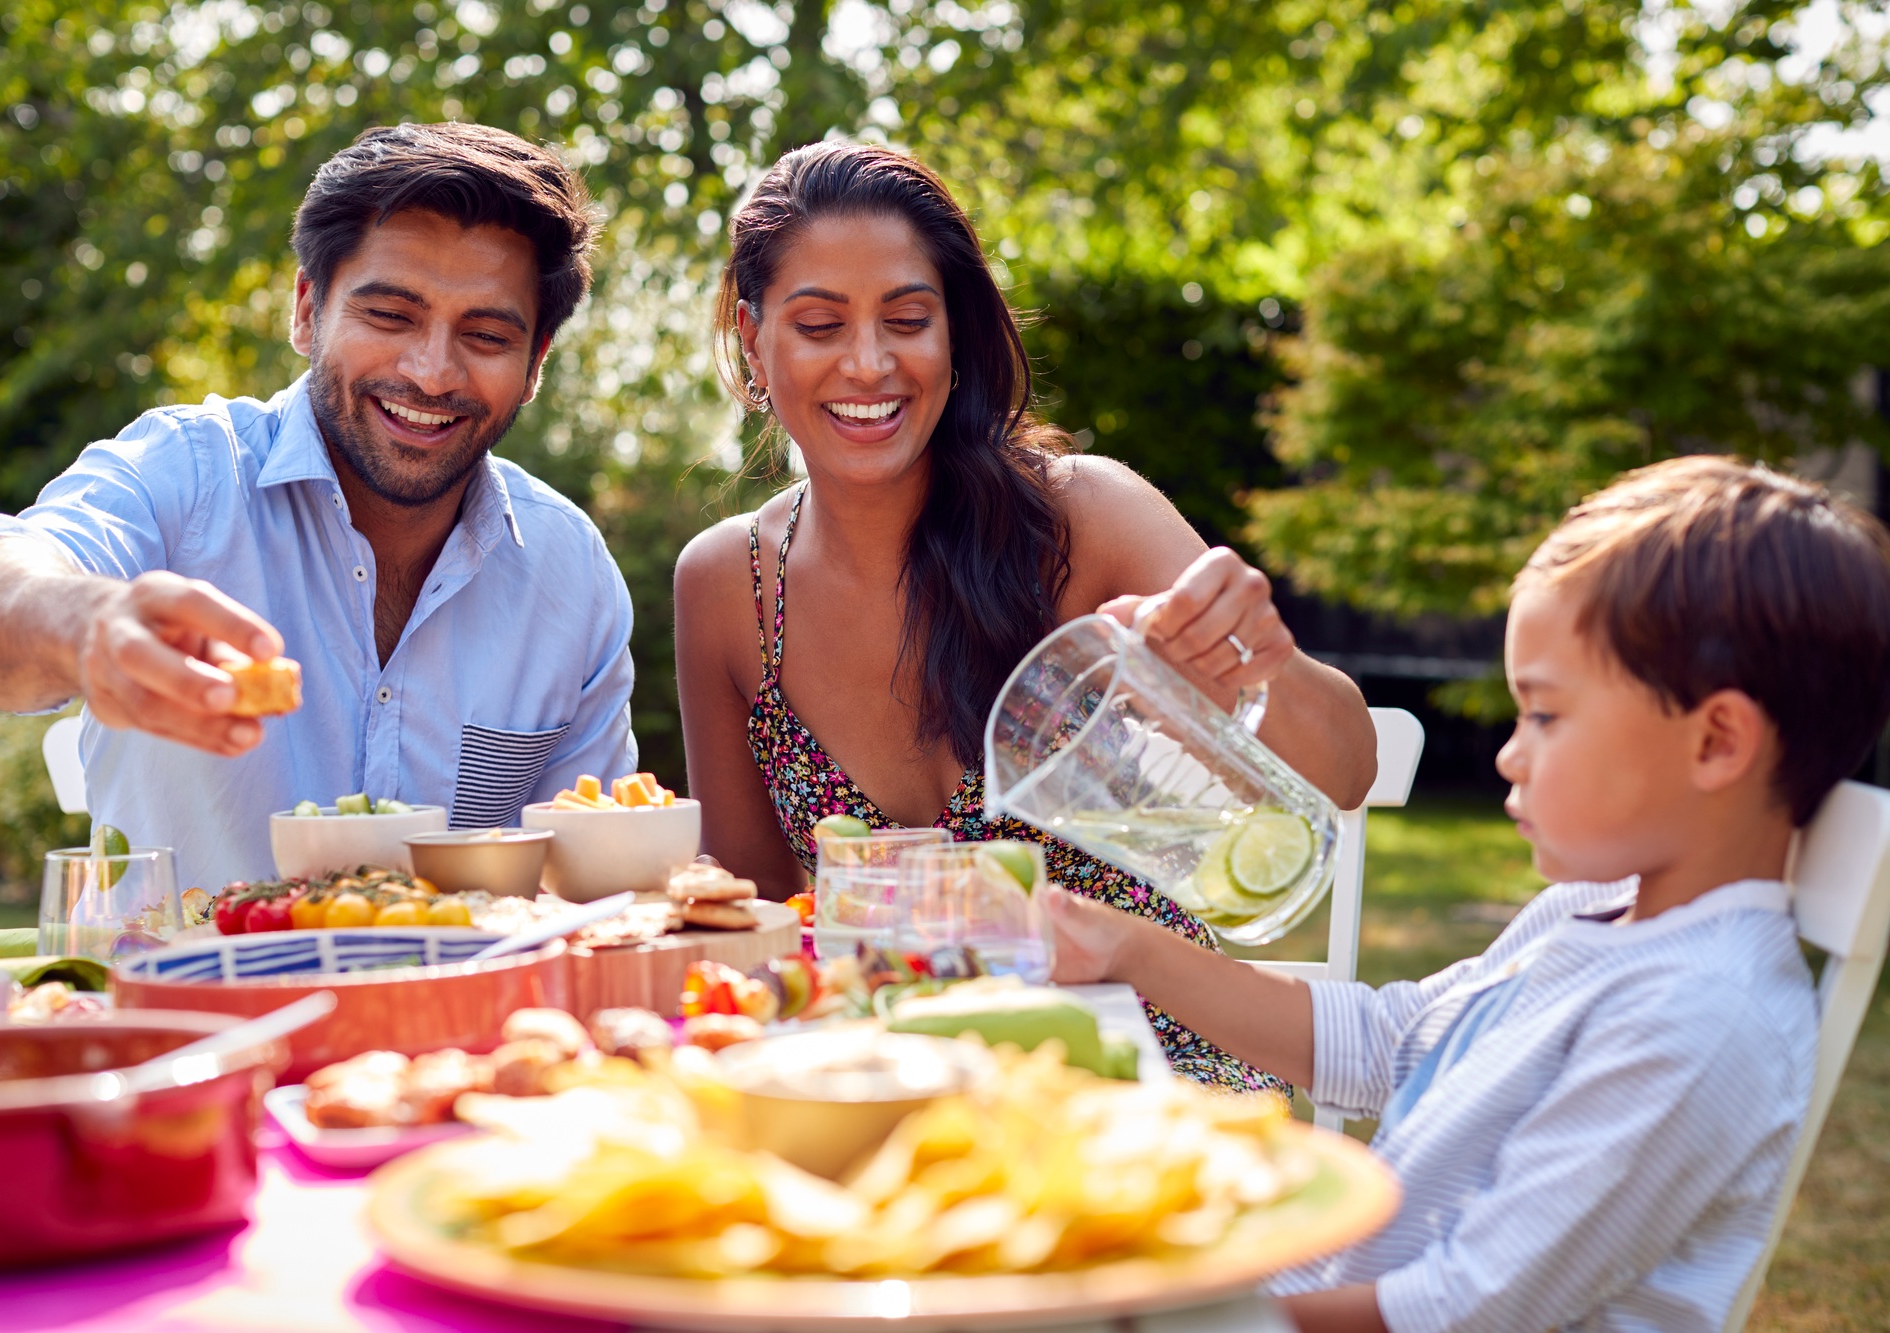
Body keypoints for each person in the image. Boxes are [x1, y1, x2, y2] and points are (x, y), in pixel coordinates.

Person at [1046, 456, 1890, 1332]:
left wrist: (1182, 1315)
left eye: (1546, 716)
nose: (1508, 755)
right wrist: (1126, 947)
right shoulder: (1598, 912)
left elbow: (1464, 1307)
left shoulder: (1701, 1017)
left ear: (1716, 741)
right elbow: (1386, 1044)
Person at [674, 142, 1378, 1090]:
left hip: (1148, 1069)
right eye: (819, 324)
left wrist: (1260, 664)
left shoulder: (1085, 517)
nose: (869, 362)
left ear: (954, 334)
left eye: (908, 319)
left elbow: (1342, 770)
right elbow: (754, 914)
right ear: (756, 343)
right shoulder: (728, 585)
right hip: (886, 1084)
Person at [0, 123, 638, 891]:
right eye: (390, 316)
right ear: (307, 310)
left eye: (487, 335)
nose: (432, 372)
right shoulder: (190, 470)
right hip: (189, 1007)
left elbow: (593, 887)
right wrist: (88, 625)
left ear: (534, 365)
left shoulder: (571, 573)